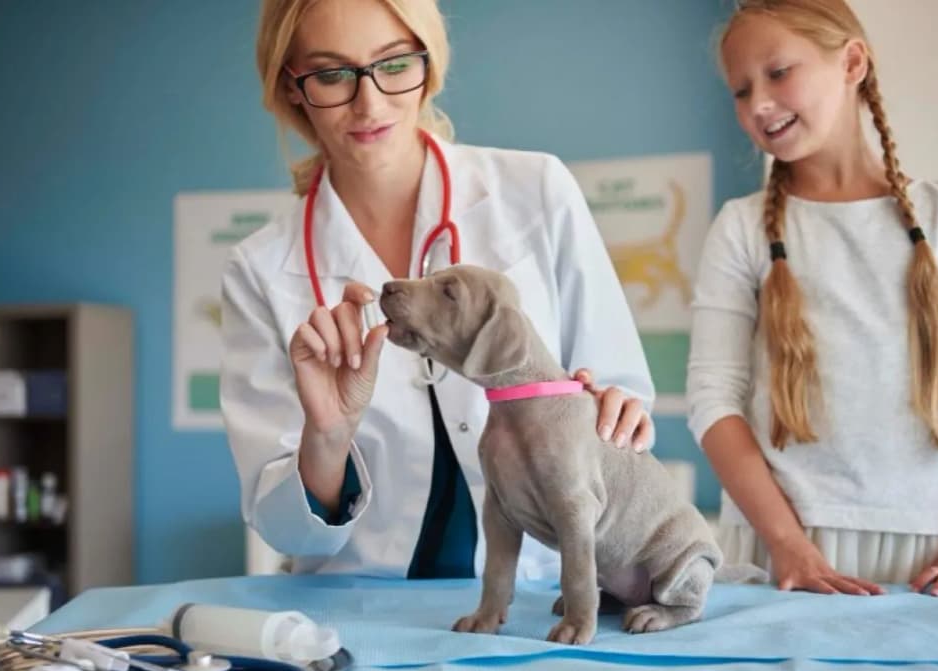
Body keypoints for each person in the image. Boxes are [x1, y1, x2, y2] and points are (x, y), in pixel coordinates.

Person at [220, 0, 655, 579]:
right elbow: (287, 531)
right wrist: (327, 436)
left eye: (395, 64)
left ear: (430, 60)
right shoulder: (260, 268)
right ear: (292, 86)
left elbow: (619, 394)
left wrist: (616, 413)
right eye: (331, 74)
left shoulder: (536, 191)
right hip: (366, 605)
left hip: (540, 590)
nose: (369, 103)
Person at [687, 0, 938, 596]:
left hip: (934, 549)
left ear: (852, 62)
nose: (758, 103)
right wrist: (789, 547)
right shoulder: (739, 228)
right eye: (740, 90)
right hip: (782, 551)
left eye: (778, 72)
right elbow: (714, 402)